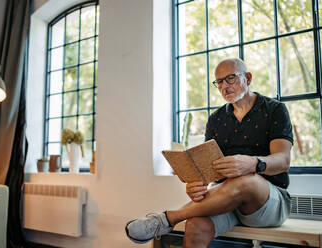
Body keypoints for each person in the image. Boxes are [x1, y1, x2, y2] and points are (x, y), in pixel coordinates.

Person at [125, 58, 293, 247]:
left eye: (230, 79)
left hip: (268, 202)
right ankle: (168, 220)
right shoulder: (216, 119)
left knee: (246, 179)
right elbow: (207, 171)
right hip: (227, 201)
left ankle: (167, 219)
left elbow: (283, 160)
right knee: (195, 225)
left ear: (247, 78)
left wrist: (253, 163)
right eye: (219, 82)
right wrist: (196, 186)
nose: (224, 87)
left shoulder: (275, 109)